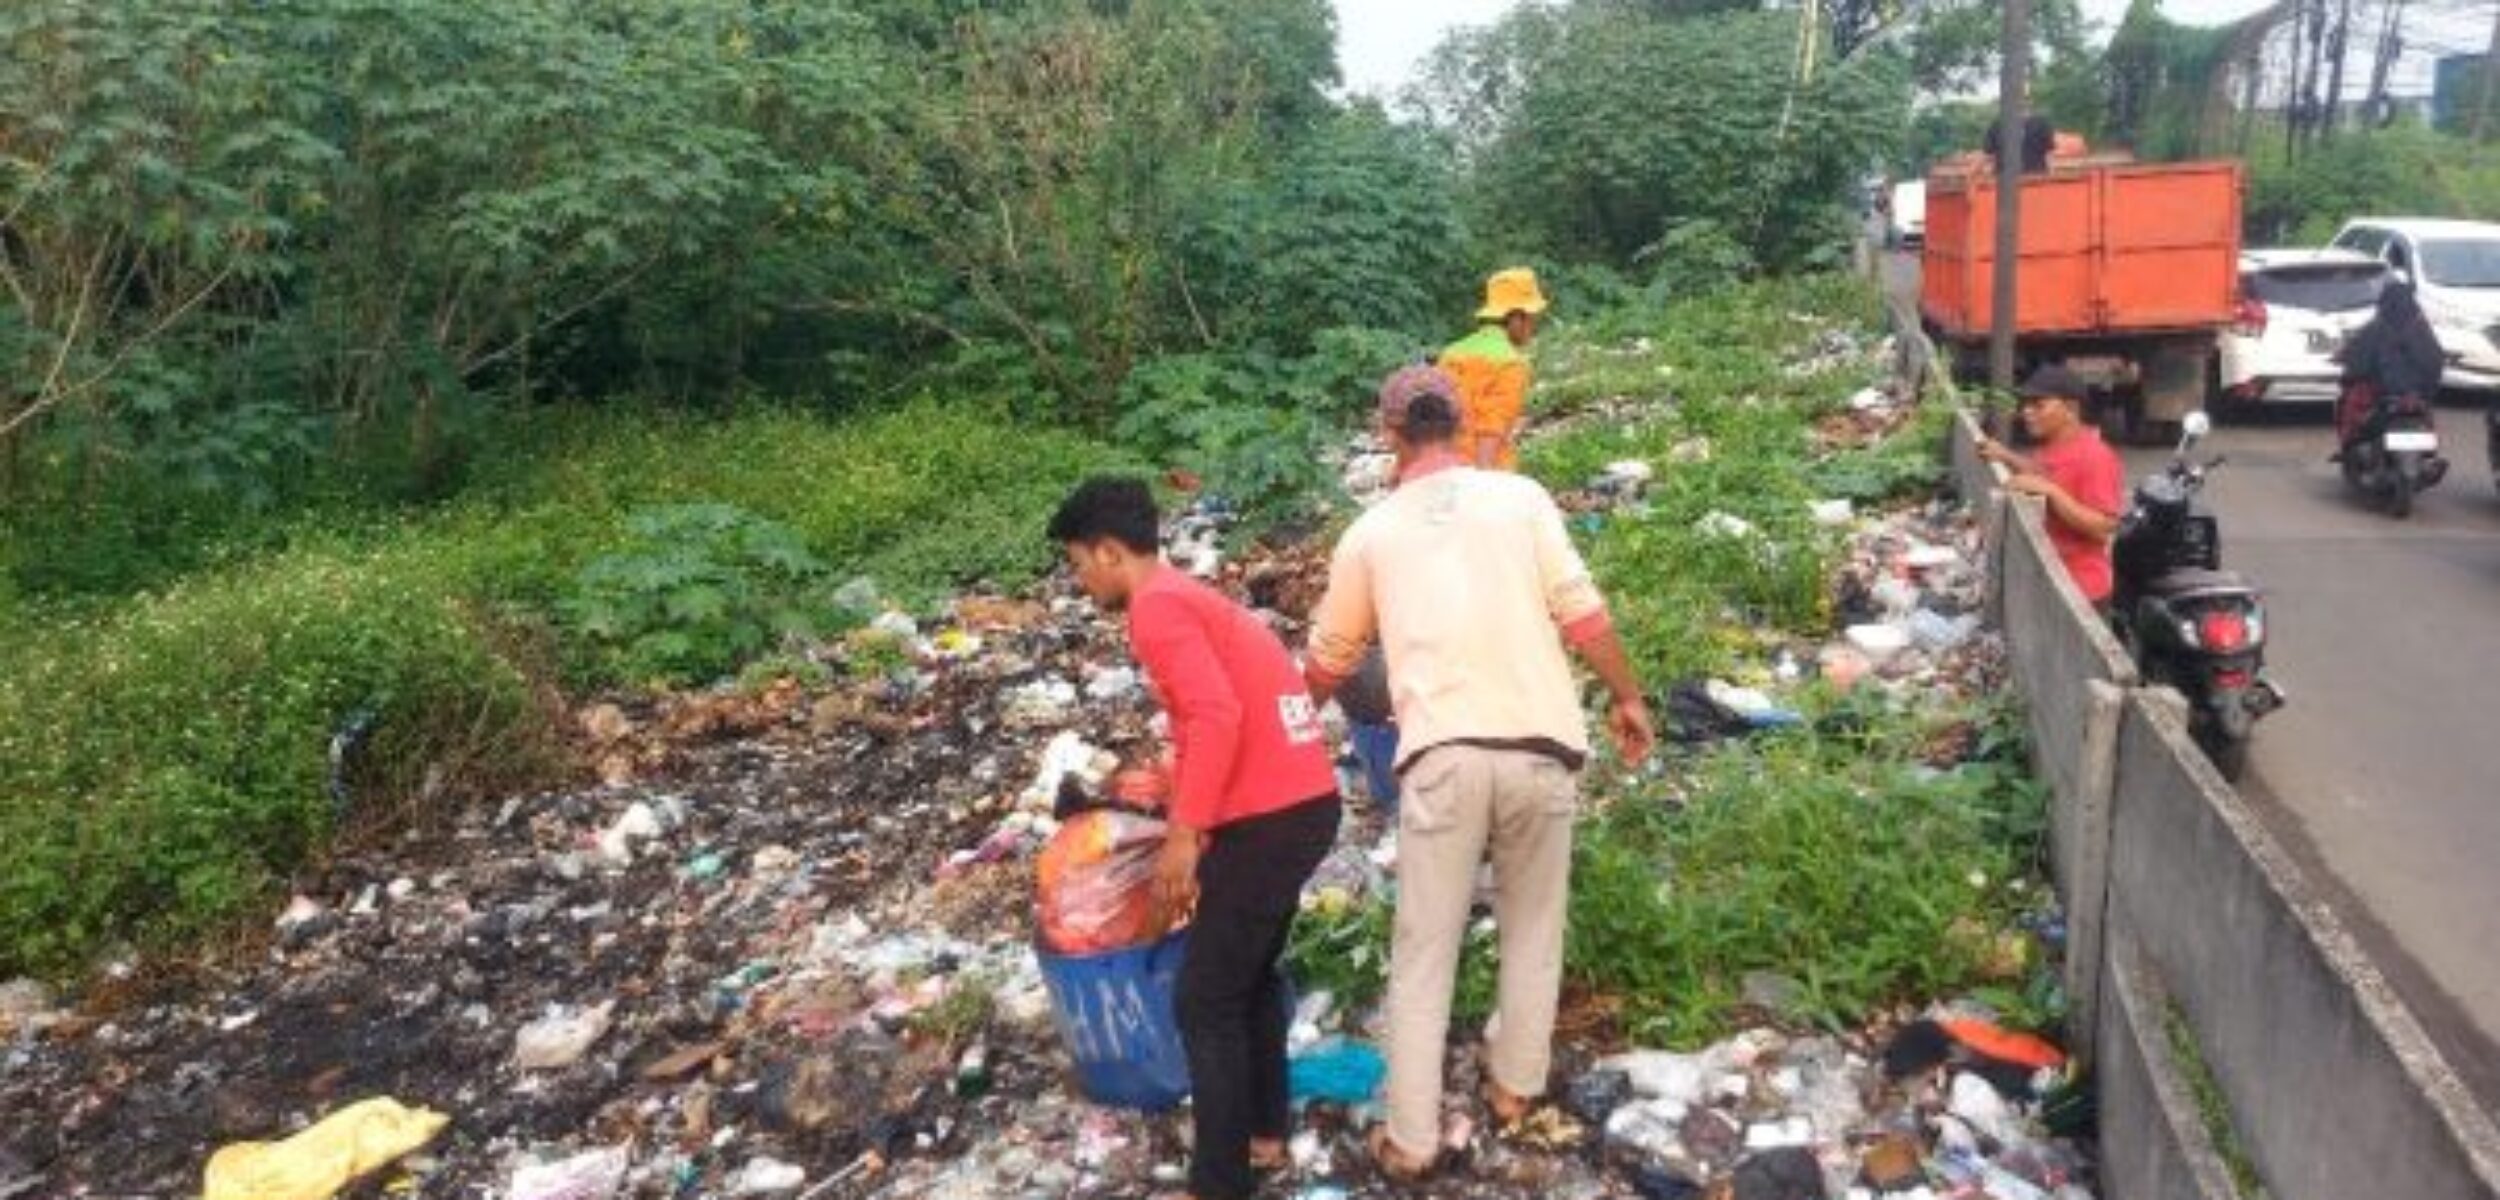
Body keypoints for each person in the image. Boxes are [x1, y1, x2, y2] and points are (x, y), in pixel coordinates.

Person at [1300, 365, 1656, 1180]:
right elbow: (1584, 613)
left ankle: (1414, 1139)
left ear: (1389, 435)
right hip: (1541, 751)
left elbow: (1331, 659)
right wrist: (1628, 697)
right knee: (1535, 926)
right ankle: (1513, 1090)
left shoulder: (1372, 533)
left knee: (1425, 952)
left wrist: (1288, 723)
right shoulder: (1520, 499)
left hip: (1443, 762)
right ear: (1461, 423)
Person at [1046, 478, 1341, 1200]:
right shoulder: (1188, 596)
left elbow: (1216, 713)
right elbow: (1224, 709)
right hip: (1300, 803)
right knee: (1246, 983)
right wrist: (1176, 778)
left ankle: (1219, 1185)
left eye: (1078, 563)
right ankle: (1264, 1135)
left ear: (1110, 551)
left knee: (1204, 1001)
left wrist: (1186, 832)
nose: (1080, 581)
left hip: (1270, 819)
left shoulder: (1157, 608)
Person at [1975, 365, 2126, 606]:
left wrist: (2050, 492)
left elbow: (2103, 528)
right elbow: (2043, 473)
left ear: (2070, 409)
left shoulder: (2095, 456)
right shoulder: (2052, 446)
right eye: (2026, 405)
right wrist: (2006, 456)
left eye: (2039, 405)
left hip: (2080, 593)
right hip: (2051, 583)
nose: (2027, 412)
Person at [1439, 268, 1548, 470]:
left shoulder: (1450, 353)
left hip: (1443, 469)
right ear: (1516, 318)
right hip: (1484, 473)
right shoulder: (1511, 364)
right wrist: (1485, 484)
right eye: (1532, 318)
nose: (1534, 327)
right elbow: (1491, 429)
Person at [2335, 281, 2446, 451]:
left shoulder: (2377, 328)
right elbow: (2435, 360)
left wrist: (2347, 359)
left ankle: (2350, 445)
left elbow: (2359, 360)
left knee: (2352, 406)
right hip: (2417, 394)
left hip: (2383, 393)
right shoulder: (2420, 328)